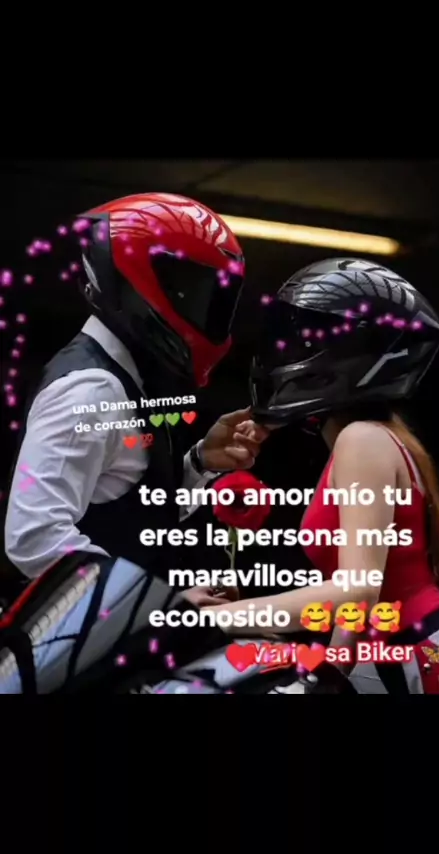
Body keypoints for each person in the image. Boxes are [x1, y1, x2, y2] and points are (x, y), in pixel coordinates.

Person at [0, 192, 269, 693]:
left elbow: (121, 503)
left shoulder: (122, 377)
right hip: (70, 663)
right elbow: (33, 534)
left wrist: (197, 463)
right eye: (190, 288)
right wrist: (159, 607)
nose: (201, 306)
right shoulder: (91, 388)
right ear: (135, 278)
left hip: (98, 654)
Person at [207, 258, 439, 694]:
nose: (290, 352)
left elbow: (355, 592)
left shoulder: (362, 440)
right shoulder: (373, 439)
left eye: (308, 340)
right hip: (409, 660)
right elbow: (358, 609)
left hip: (431, 660)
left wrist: (212, 618)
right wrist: (329, 671)